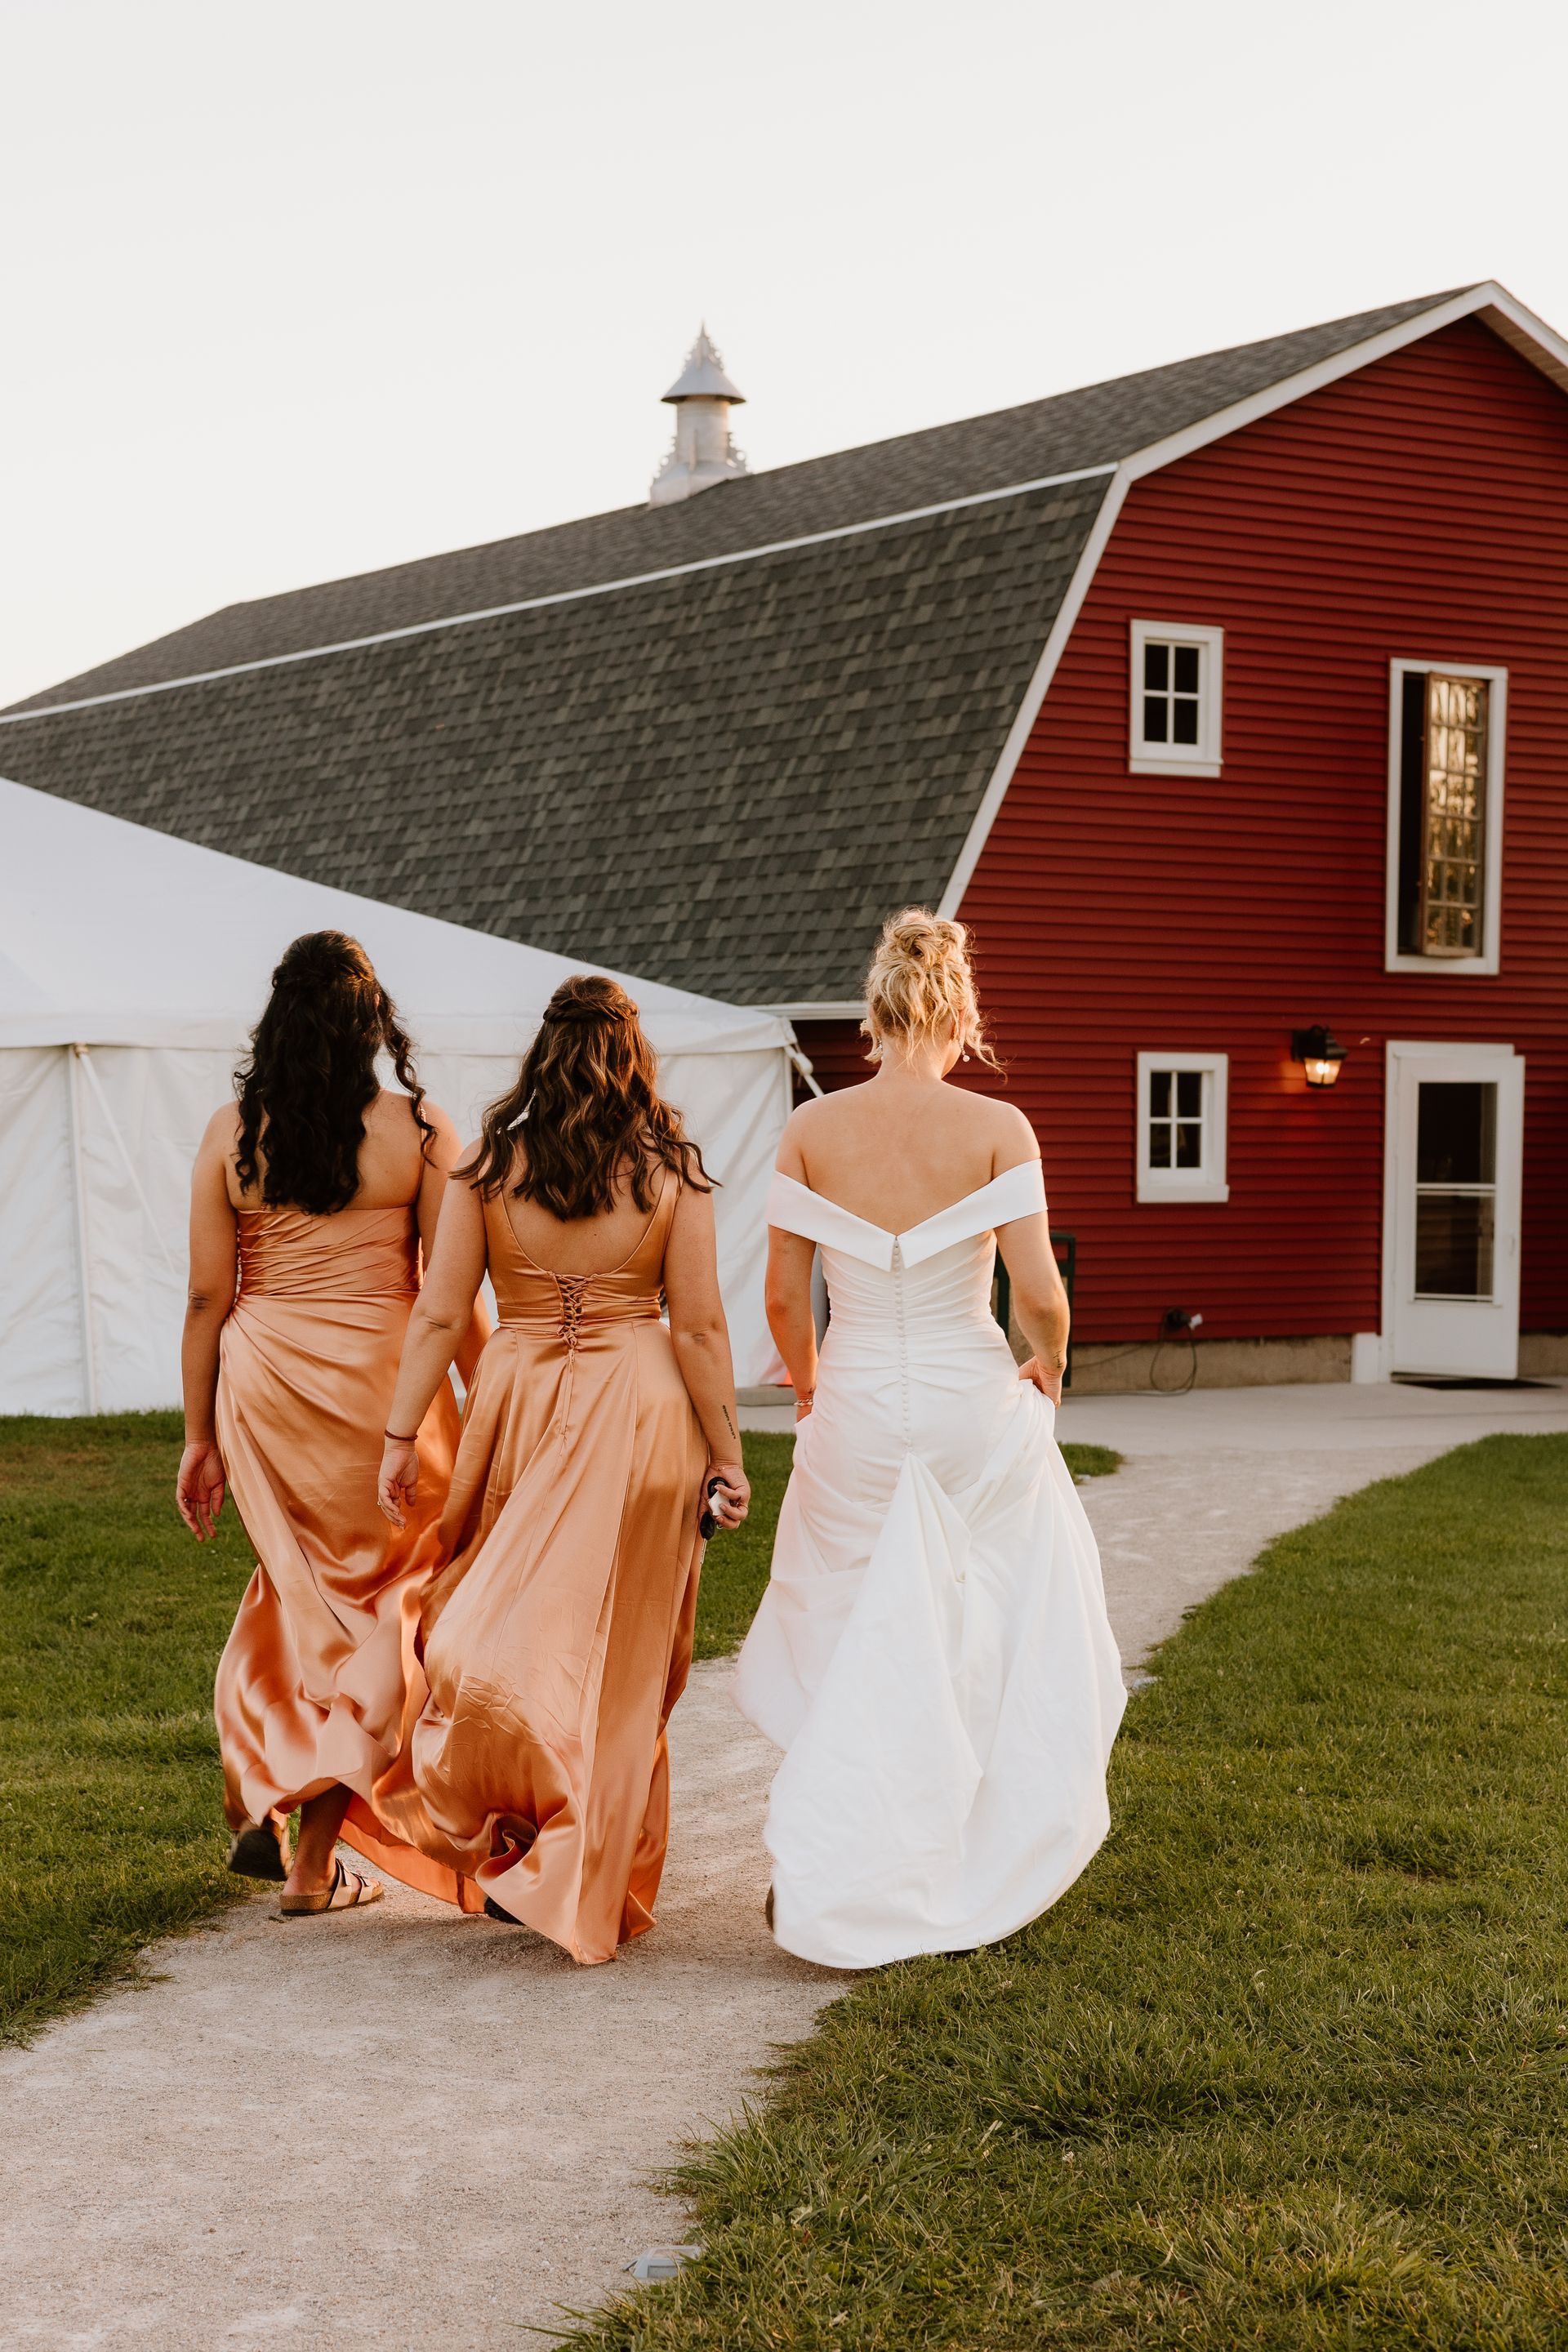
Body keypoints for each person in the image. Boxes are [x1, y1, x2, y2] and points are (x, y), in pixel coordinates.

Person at [734, 908, 1125, 1969]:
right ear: (959, 1010)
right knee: (978, 1621)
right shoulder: (998, 1130)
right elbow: (1037, 1297)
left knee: (855, 1626)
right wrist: (1047, 1365)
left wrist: (813, 1391)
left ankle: (837, 1856)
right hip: (962, 1399)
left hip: (859, 1394)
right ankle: (965, 1849)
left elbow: (780, 1298)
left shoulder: (814, 1131)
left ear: (874, 1010)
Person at [376, 973, 749, 1965]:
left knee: (509, 1625)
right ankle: (577, 1864)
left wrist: (399, 1434)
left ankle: (526, 1840)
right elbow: (702, 1328)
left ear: (543, 1054)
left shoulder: (489, 1168)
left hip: (521, 1405)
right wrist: (728, 1455)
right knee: (622, 1659)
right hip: (643, 1408)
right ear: (635, 1058)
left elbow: (442, 1313)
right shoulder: (675, 1173)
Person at [177, 930, 488, 1917]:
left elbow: (202, 1298)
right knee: (395, 1599)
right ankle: (311, 1863)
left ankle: (265, 1795)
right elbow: (453, 1293)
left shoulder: (232, 1134)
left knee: (298, 1592)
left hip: (264, 1382)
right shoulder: (422, 1130)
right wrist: (495, 1406)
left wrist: (199, 1436)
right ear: (371, 1024)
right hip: (387, 1389)